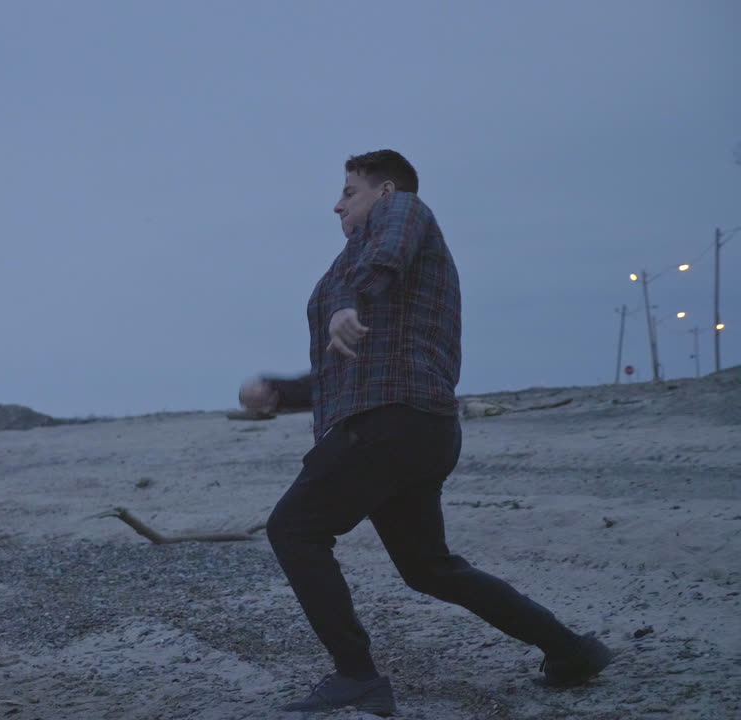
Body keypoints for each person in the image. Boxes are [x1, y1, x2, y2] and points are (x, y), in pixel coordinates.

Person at [239, 150, 612, 716]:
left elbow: (377, 261)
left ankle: (356, 676)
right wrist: (282, 393)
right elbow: (357, 364)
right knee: (428, 568)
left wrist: (349, 298)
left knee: (294, 529)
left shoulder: (403, 214)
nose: (336, 203)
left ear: (384, 192)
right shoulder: (367, 263)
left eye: (349, 191)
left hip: (388, 424)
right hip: (415, 426)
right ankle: (571, 650)